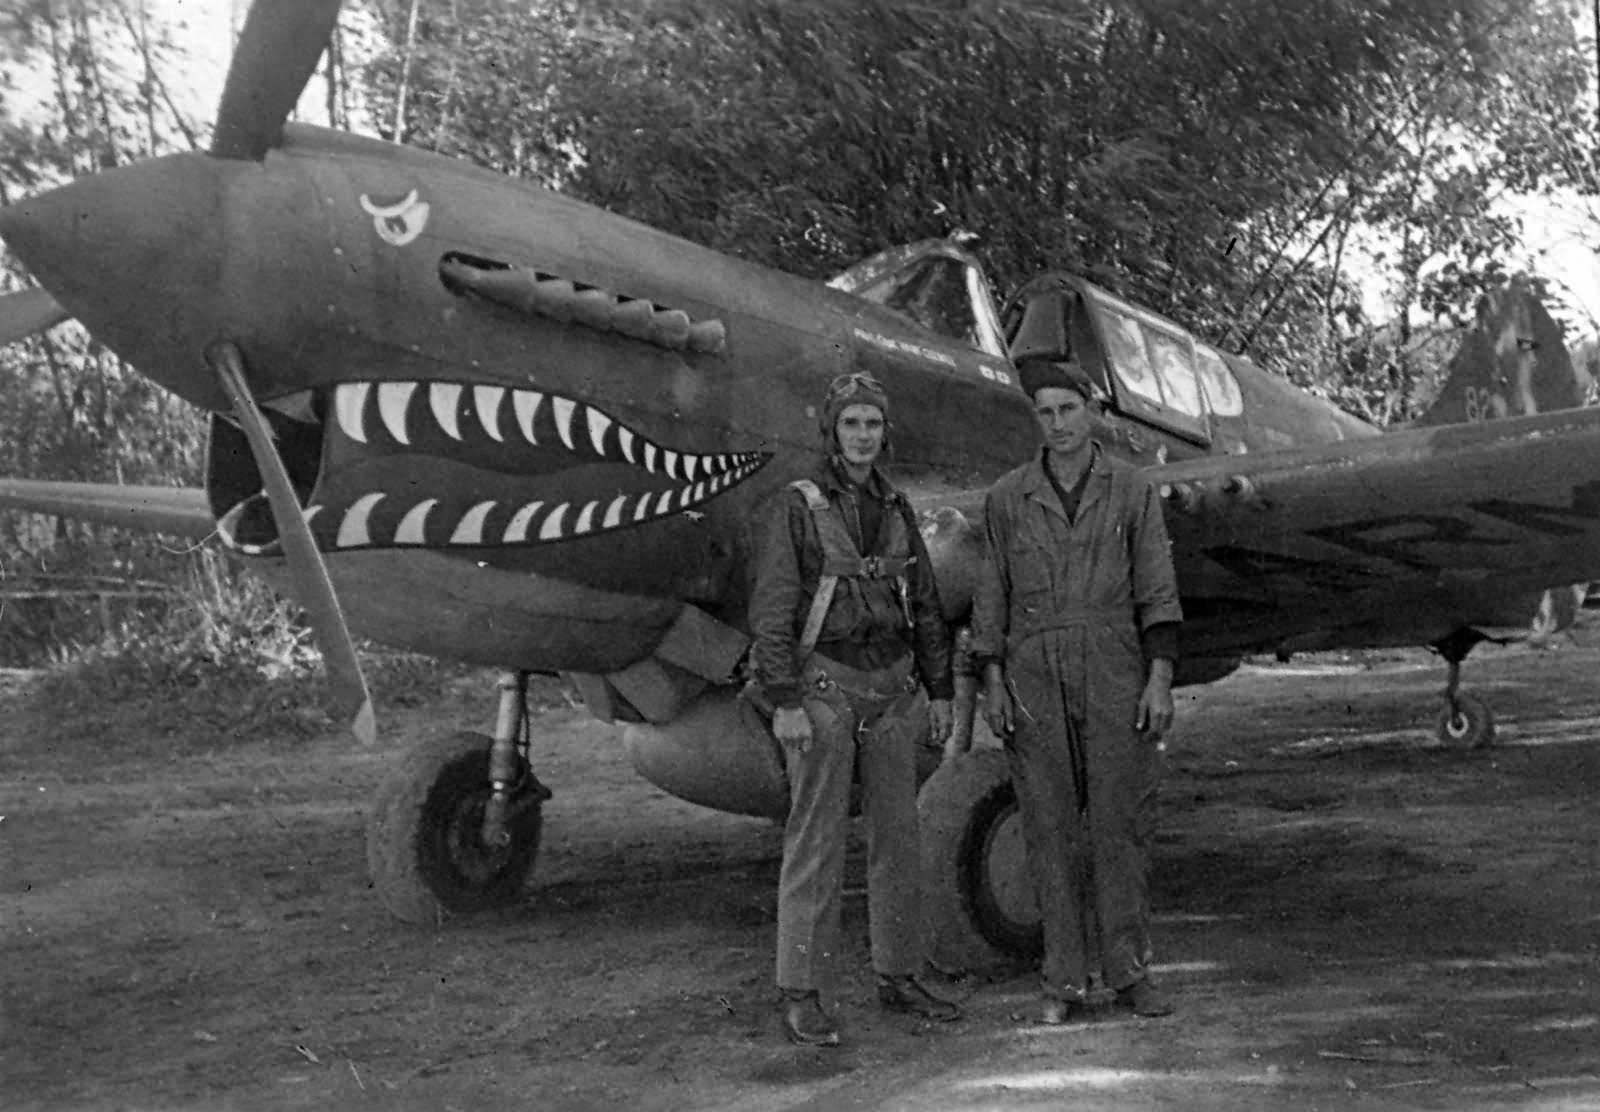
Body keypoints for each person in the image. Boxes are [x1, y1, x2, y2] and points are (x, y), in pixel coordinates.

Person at [962, 356, 1182, 1024]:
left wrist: (1160, 677)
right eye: (1046, 412)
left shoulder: (1131, 490)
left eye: (1068, 409)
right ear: (1035, 418)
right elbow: (989, 597)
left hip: (1114, 662)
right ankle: (1062, 982)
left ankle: (1130, 975)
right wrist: (993, 680)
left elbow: (1157, 587)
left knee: (1119, 824)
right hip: (1033, 674)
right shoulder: (1007, 498)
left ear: (1089, 411)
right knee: (1048, 828)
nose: (1058, 424)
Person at [749, 370, 962, 1046]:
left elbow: (926, 605)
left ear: (884, 432)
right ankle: (801, 993)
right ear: (832, 432)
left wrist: (942, 691)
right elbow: (774, 606)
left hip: (894, 694)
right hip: (824, 694)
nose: (863, 435)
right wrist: (783, 698)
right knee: (816, 842)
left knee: (898, 841)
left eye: (872, 423)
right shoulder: (799, 506)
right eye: (851, 424)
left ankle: (897, 977)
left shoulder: (899, 509)